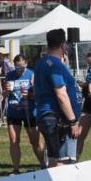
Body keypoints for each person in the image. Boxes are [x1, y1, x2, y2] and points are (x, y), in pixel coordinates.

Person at [33, 29, 81, 168]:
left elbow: (36, 88)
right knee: (64, 161)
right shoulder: (55, 65)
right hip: (58, 118)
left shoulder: (42, 62)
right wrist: (73, 121)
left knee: (54, 158)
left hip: (46, 115)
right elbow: (61, 94)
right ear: (63, 45)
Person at [3, 54, 43, 174]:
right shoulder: (10, 75)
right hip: (13, 111)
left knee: (34, 141)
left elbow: (39, 94)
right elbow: (4, 94)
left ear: (26, 64)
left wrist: (30, 95)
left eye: (21, 67)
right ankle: (16, 169)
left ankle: (44, 165)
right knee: (14, 140)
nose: (19, 70)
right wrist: (7, 91)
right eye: (17, 67)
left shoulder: (31, 74)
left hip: (29, 112)